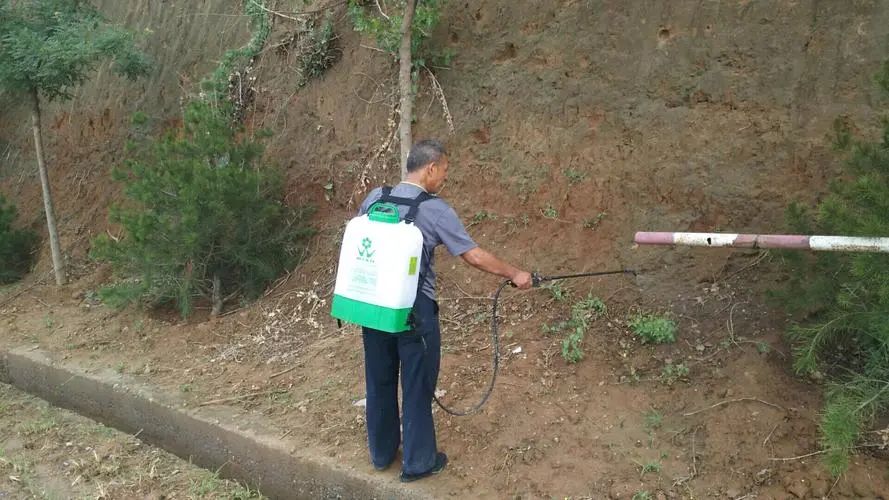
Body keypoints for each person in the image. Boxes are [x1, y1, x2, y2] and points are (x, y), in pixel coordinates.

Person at [357, 139, 532, 482]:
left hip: (373, 306)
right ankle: (419, 463)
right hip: (413, 312)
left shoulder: (375, 197)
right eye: (445, 172)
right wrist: (515, 273)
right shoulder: (434, 209)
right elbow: (472, 255)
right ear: (431, 169)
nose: (445, 179)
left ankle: (380, 454)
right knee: (417, 384)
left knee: (378, 381)